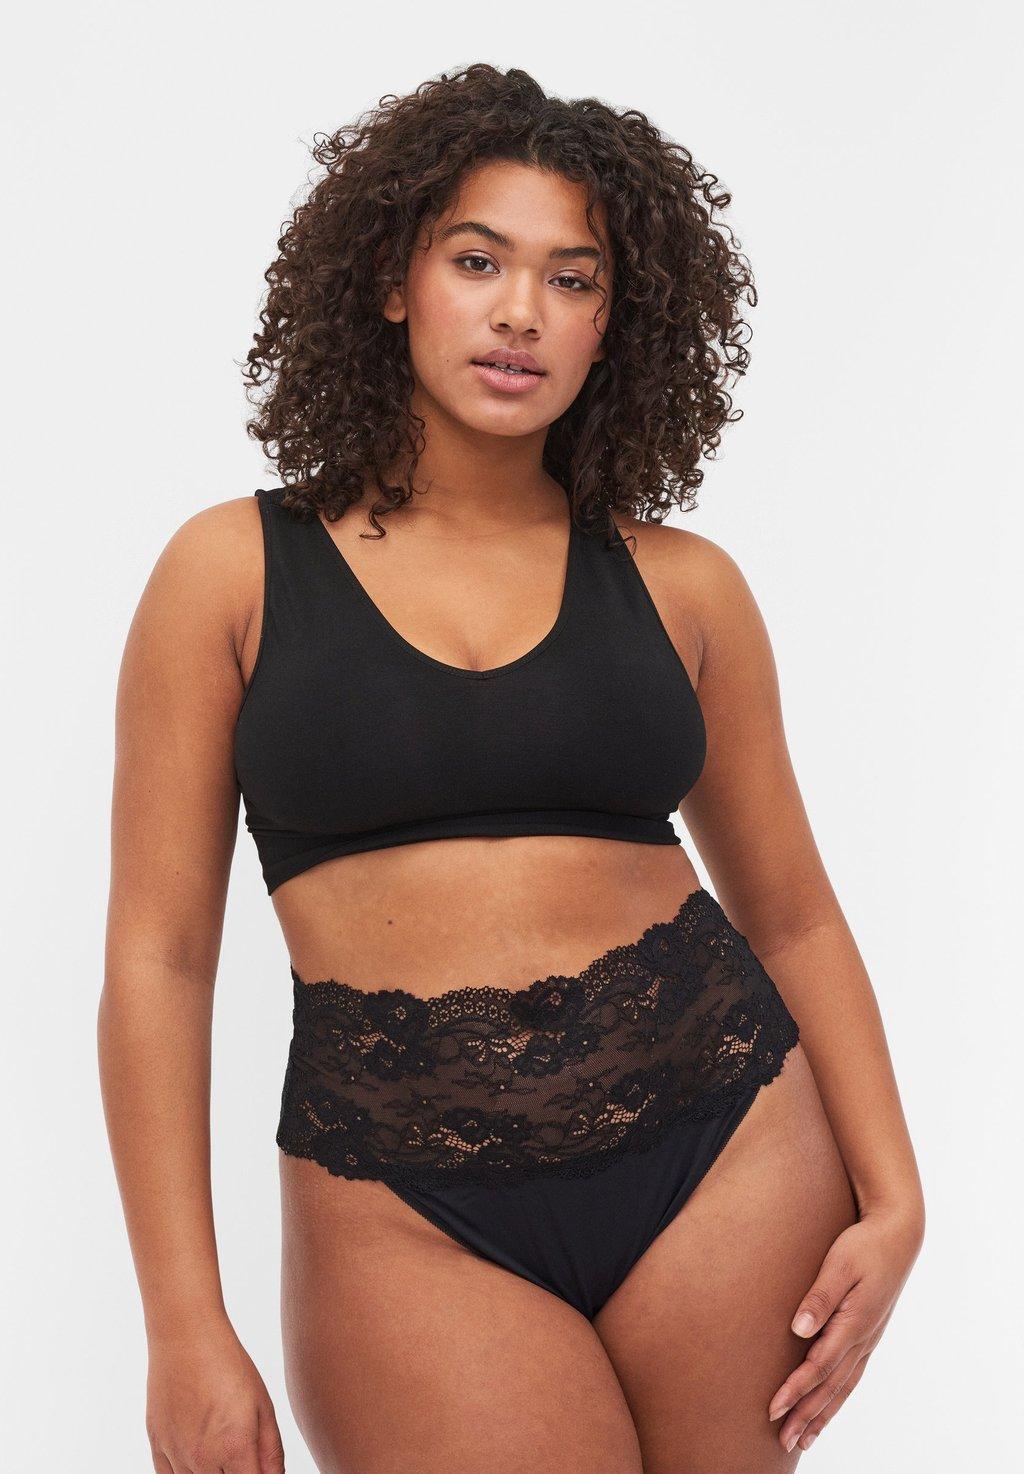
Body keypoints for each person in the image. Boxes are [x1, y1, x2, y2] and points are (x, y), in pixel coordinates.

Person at [98, 63, 925, 1474]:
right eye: (477, 260)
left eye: (572, 277)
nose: (521, 311)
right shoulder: (231, 572)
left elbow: (792, 913)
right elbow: (160, 958)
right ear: (392, 280)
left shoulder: (685, 586)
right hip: (404, 1204)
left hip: (724, 1147)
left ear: (616, 320)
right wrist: (182, 1323)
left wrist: (898, 1198)